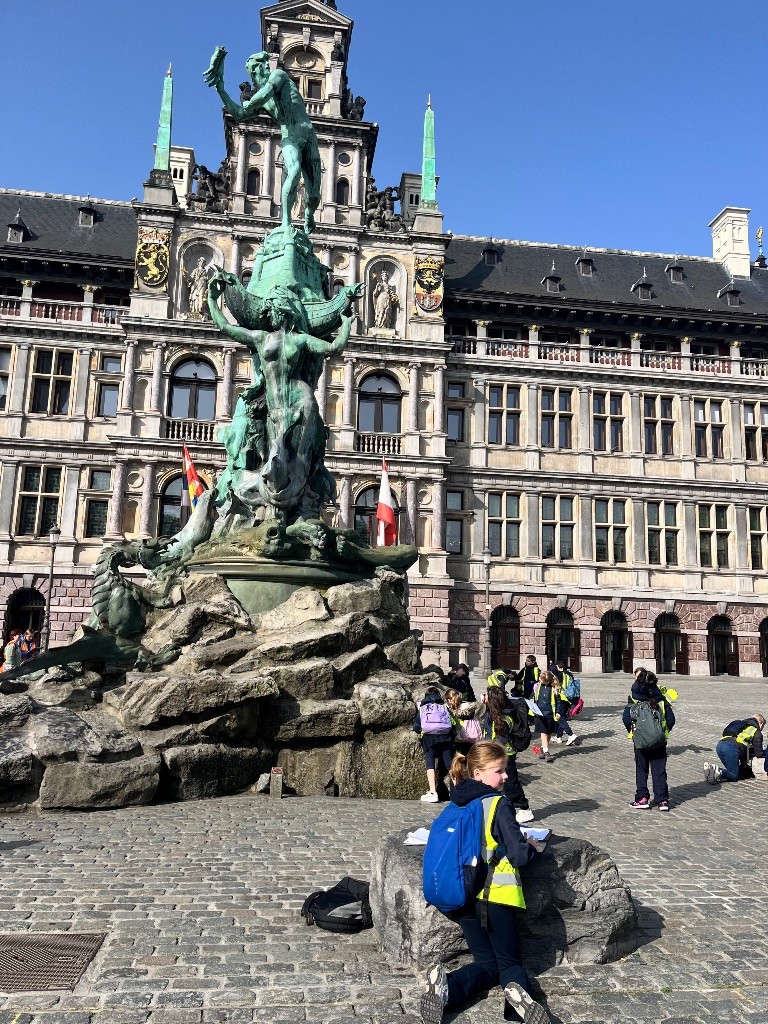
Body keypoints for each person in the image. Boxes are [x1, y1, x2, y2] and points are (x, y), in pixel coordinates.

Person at [420, 741, 552, 1024]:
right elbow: (518, 855)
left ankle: (447, 989)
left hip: (462, 895)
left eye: (505, 769)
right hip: (496, 895)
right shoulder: (497, 804)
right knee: (509, 963)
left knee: (488, 964)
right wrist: (532, 847)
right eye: (499, 770)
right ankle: (518, 1004)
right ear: (478, 773)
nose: (505, 776)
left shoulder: (458, 799)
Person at [205, 49, 322, 233]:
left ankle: (309, 213)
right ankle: (286, 223)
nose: (266, 67)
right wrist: (221, 88)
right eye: (261, 65)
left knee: (314, 196)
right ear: (255, 71)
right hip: (290, 137)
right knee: (294, 171)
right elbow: (239, 114)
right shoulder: (264, 101)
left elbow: (262, 95)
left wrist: (249, 104)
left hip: (308, 135)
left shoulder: (278, 76)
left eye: (265, 64)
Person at [481, 686, 535, 823]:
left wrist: (489, 750)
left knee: (510, 783)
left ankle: (524, 808)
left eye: (486, 695)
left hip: (504, 755)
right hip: (492, 753)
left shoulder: (505, 718)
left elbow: (500, 740)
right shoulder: (491, 712)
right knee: (492, 782)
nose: (483, 697)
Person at [623, 670, 675, 810]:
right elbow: (671, 720)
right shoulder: (661, 700)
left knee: (641, 769)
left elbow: (626, 719)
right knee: (659, 770)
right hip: (659, 741)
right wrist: (662, 733)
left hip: (641, 742)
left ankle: (642, 798)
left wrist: (635, 733)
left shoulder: (634, 699)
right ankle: (662, 800)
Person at [413, 686, 455, 803]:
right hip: (445, 737)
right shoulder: (444, 706)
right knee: (450, 763)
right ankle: (459, 788)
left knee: (430, 763)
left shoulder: (423, 707)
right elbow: (452, 722)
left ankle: (432, 792)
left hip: (429, 738)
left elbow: (417, 726)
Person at [705, 714, 768, 784]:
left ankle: (713, 774)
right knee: (734, 776)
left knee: (732, 771)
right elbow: (759, 754)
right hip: (731, 749)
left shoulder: (740, 725)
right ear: (761, 724)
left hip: (720, 745)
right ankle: (718, 771)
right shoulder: (756, 732)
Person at [532, 670, 559, 763]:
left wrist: (558, 712)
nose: (539, 680)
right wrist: (532, 700)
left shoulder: (553, 689)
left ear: (547, 681)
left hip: (550, 714)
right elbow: (533, 696)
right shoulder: (537, 686)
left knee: (549, 733)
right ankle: (547, 752)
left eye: (541, 679)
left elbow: (558, 702)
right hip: (540, 715)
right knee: (544, 733)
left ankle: (543, 748)